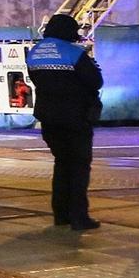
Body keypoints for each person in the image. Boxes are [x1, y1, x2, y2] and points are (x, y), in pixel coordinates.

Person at [27, 13, 104, 231]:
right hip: (75, 117)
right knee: (79, 166)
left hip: (48, 117)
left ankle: (61, 215)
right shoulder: (73, 52)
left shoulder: (34, 53)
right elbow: (95, 81)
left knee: (62, 163)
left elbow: (35, 80)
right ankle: (79, 217)